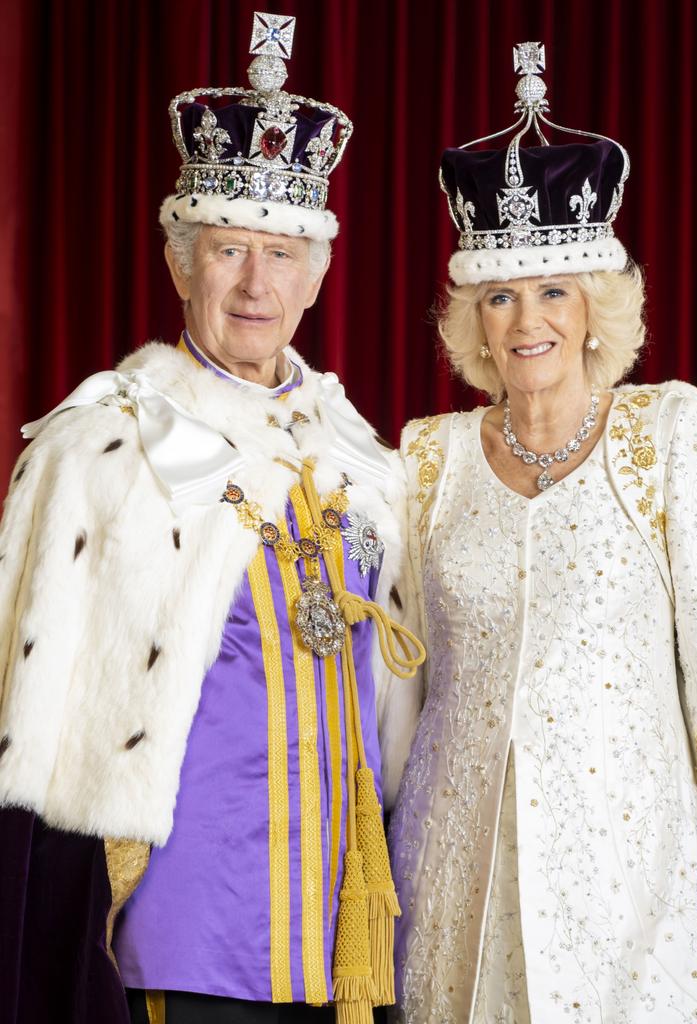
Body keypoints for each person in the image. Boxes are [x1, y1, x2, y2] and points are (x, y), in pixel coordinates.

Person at [0, 12, 423, 1024]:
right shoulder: (105, 444)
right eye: (227, 248)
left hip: (342, 919)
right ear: (179, 261)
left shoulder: (361, 457)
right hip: (181, 921)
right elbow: (36, 719)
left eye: (281, 253)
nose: (254, 282)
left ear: (318, 272)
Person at [386, 41, 697, 1023]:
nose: (527, 321)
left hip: (635, 875)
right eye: (502, 296)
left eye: (553, 290)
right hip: (454, 870)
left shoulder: (672, 432)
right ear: (474, 314)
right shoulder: (426, 460)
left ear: (596, 305)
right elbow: (396, 682)